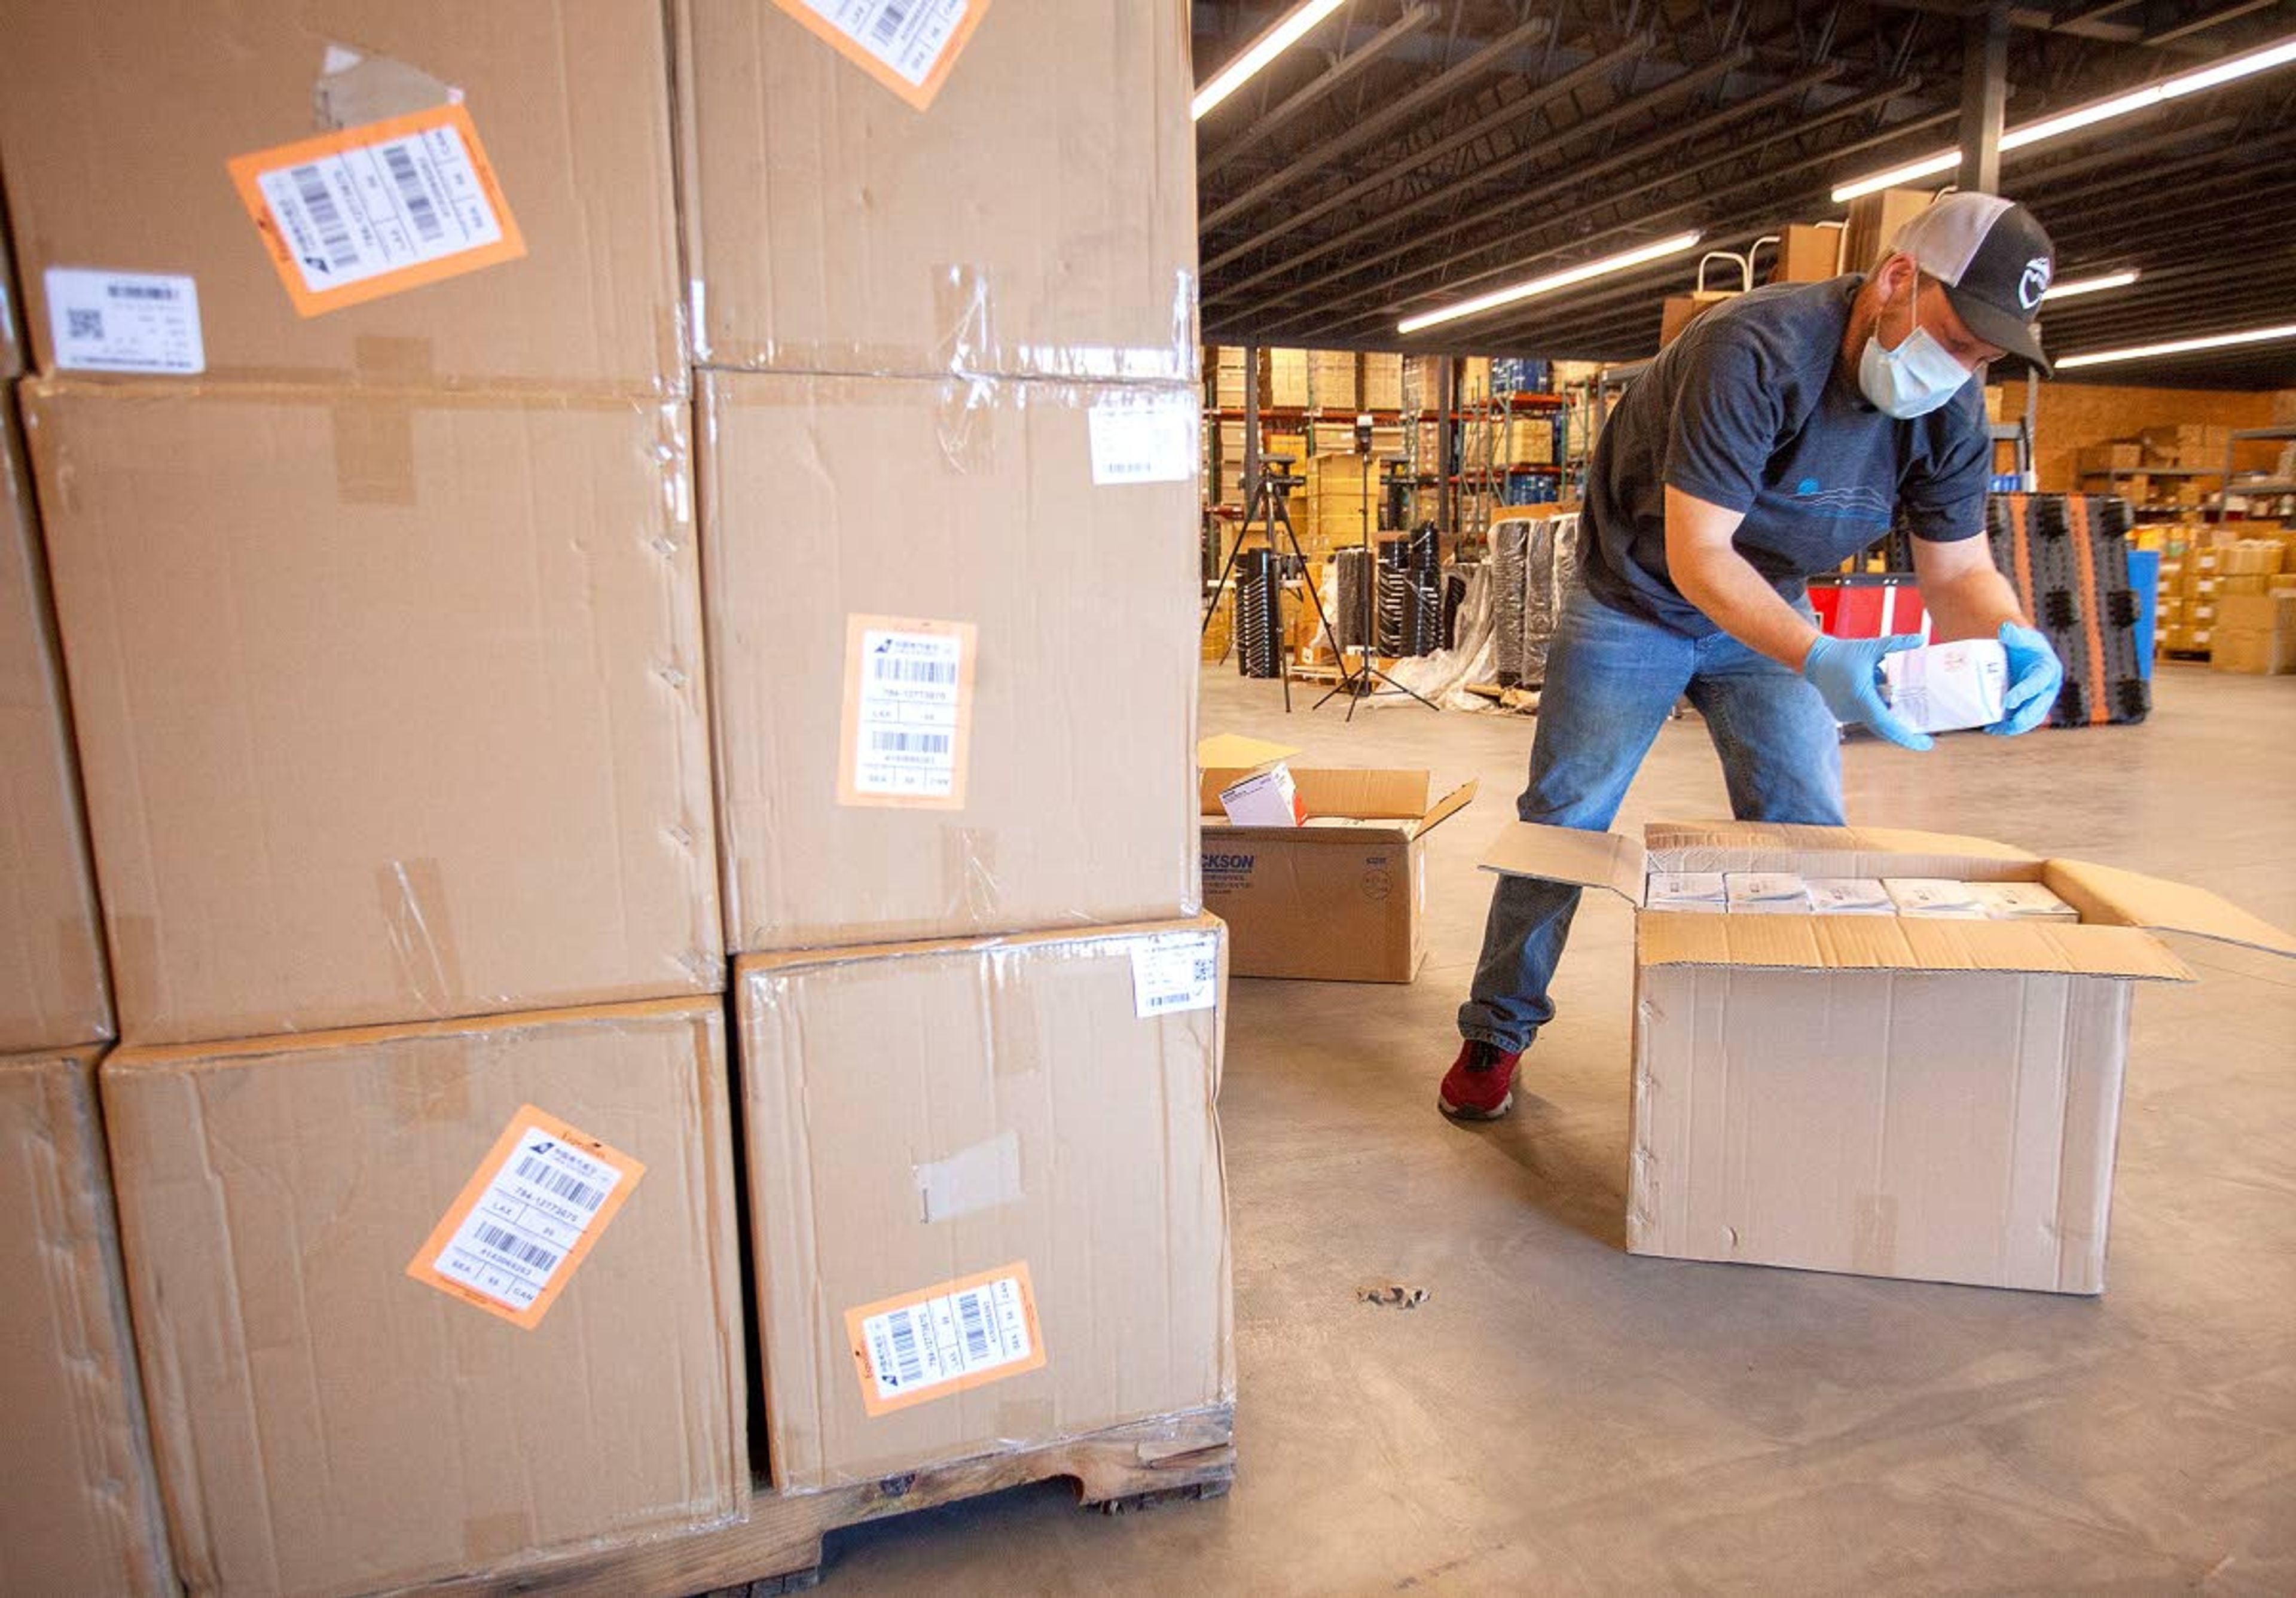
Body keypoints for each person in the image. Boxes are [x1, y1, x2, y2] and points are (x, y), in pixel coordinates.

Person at [1440, 191, 2066, 1121]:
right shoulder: (1758, 349)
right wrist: (1823, 658)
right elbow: (1699, 557)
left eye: (1987, 352)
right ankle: (1498, 1029)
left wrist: (2012, 637)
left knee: (1806, 826)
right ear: (1897, 279)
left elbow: (1960, 570)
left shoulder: (1952, 409)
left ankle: (1794, 1025)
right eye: (1958, 334)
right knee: (1565, 823)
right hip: (1638, 600)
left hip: (1768, 603)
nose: (1966, 365)